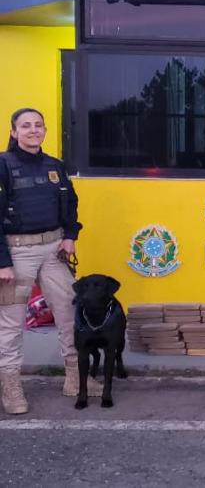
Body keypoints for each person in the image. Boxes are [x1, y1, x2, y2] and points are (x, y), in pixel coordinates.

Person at [0, 108, 101, 415]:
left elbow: (70, 203)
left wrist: (70, 235)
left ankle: (74, 378)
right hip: (16, 253)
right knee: (11, 323)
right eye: (25, 126)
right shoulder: (3, 165)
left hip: (54, 251)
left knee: (70, 313)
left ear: (44, 130)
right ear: (14, 132)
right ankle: (11, 388)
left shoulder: (54, 165)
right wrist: (2, 262)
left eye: (38, 125)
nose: (33, 130)